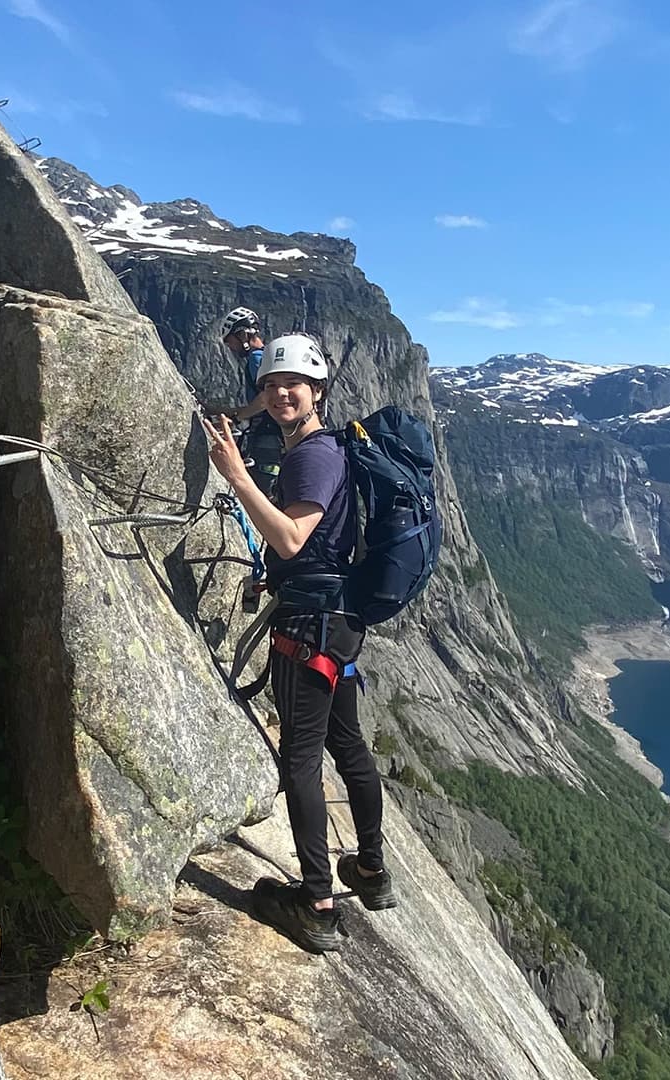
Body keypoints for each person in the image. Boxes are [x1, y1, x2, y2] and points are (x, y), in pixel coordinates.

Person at [198, 333, 397, 954]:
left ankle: (315, 903)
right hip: (335, 620)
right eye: (271, 384)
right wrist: (277, 576)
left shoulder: (312, 455)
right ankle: (370, 868)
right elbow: (306, 549)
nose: (281, 392)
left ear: (318, 391)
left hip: (308, 629)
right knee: (348, 745)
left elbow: (288, 536)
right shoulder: (328, 449)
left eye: (294, 384)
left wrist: (234, 476)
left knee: (302, 761)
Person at [214, 308, 286, 499]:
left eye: (230, 341)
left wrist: (239, 418)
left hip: (267, 437)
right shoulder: (268, 355)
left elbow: (264, 399)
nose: (230, 347)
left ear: (242, 334)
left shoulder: (256, 359)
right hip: (277, 436)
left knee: (259, 492)